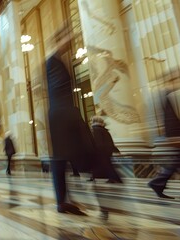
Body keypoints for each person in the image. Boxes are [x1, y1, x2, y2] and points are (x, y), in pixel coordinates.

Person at [45, 26, 90, 215]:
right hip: (61, 116)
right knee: (61, 159)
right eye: (68, 36)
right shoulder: (53, 61)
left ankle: (63, 200)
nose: (72, 39)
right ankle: (62, 201)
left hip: (62, 115)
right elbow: (57, 91)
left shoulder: (59, 61)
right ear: (59, 39)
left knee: (61, 159)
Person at [148, 86, 180, 199]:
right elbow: (171, 119)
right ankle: (157, 183)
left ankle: (157, 183)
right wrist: (174, 136)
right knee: (176, 162)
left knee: (176, 162)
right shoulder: (172, 95)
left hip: (175, 135)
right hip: (176, 135)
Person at [90, 116, 122, 183]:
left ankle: (115, 178)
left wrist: (95, 150)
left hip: (101, 151)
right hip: (107, 151)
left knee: (107, 165)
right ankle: (94, 177)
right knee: (106, 164)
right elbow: (110, 141)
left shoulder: (95, 130)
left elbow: (98, 142)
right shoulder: (104, 130)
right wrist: (115, 149)